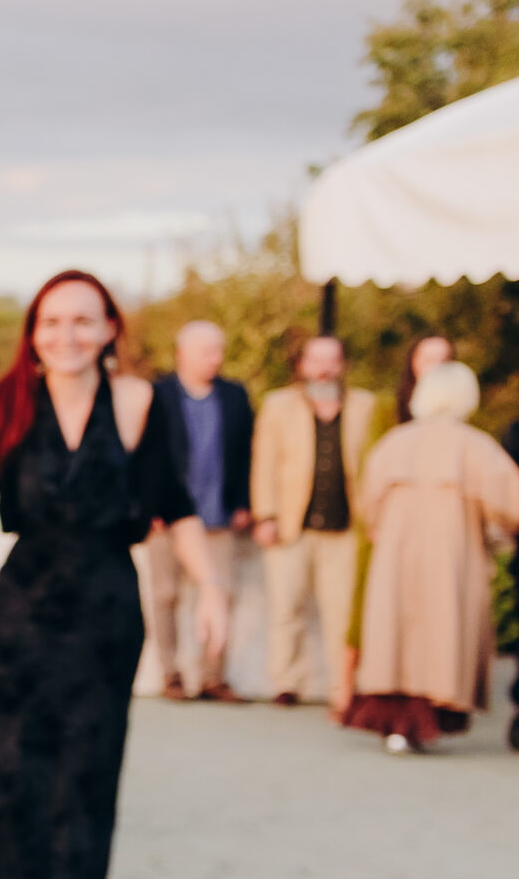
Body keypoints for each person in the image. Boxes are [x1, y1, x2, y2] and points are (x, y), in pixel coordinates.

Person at [0, 270, 227, 879]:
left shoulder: (140, 402)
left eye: (84, 320)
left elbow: (175, 504)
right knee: (14, 765)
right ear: (33, 333)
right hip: (24, 606)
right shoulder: (9, 400)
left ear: (111, 328)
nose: (67, 336)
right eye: (52, 322)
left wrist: (212, 587)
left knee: (91, 765)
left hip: (105, 603)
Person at [346, 362, 519, 751]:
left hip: (397, 556)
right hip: (452, 555)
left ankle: (397, 724)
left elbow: (367, 501)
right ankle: (426, 719)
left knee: (397, 634)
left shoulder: (395, 442)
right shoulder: (475, 446)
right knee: (442, 631)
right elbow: (509, 501)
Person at [252, 334, 375, 716]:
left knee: (341, 611)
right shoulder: (278, 405)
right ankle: (286, 682)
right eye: (315, 360)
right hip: (292, 524)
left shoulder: (365, 406)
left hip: (345, 525)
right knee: (286, 607)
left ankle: (344, 686)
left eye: (331, 360)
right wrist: (265, 515)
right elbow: (264, 462)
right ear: (302, 365)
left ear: (342, 365)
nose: (323, 369)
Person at [144, 320, 255, 701]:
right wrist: (149, 504)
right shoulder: (156, 394)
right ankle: (171, 675)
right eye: (208, 351)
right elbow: (145, 454)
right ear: (182, 354)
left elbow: (246, 453)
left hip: (218, 516)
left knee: (220, 595)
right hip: (165, 520)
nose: (216, 358)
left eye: (219, 350)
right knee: (165, 596)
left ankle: (212, 678)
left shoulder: (235, 396)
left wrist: (243, 502)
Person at [396, 333, 454, 425]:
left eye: (444, 361)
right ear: (413, 362)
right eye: (429, 360)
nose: (436, 367)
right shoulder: (387, 411)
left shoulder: (462, 412)